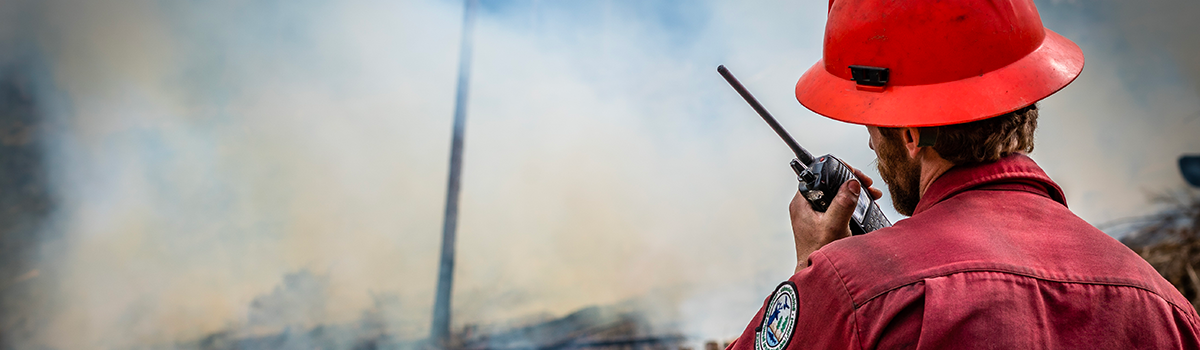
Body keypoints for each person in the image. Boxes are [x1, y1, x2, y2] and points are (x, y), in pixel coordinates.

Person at [726, 0, 1200, 348]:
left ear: (910, 134)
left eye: (871, 121)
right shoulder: (1163, 308)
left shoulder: (854, 290)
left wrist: (813, 278)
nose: (870, 143)